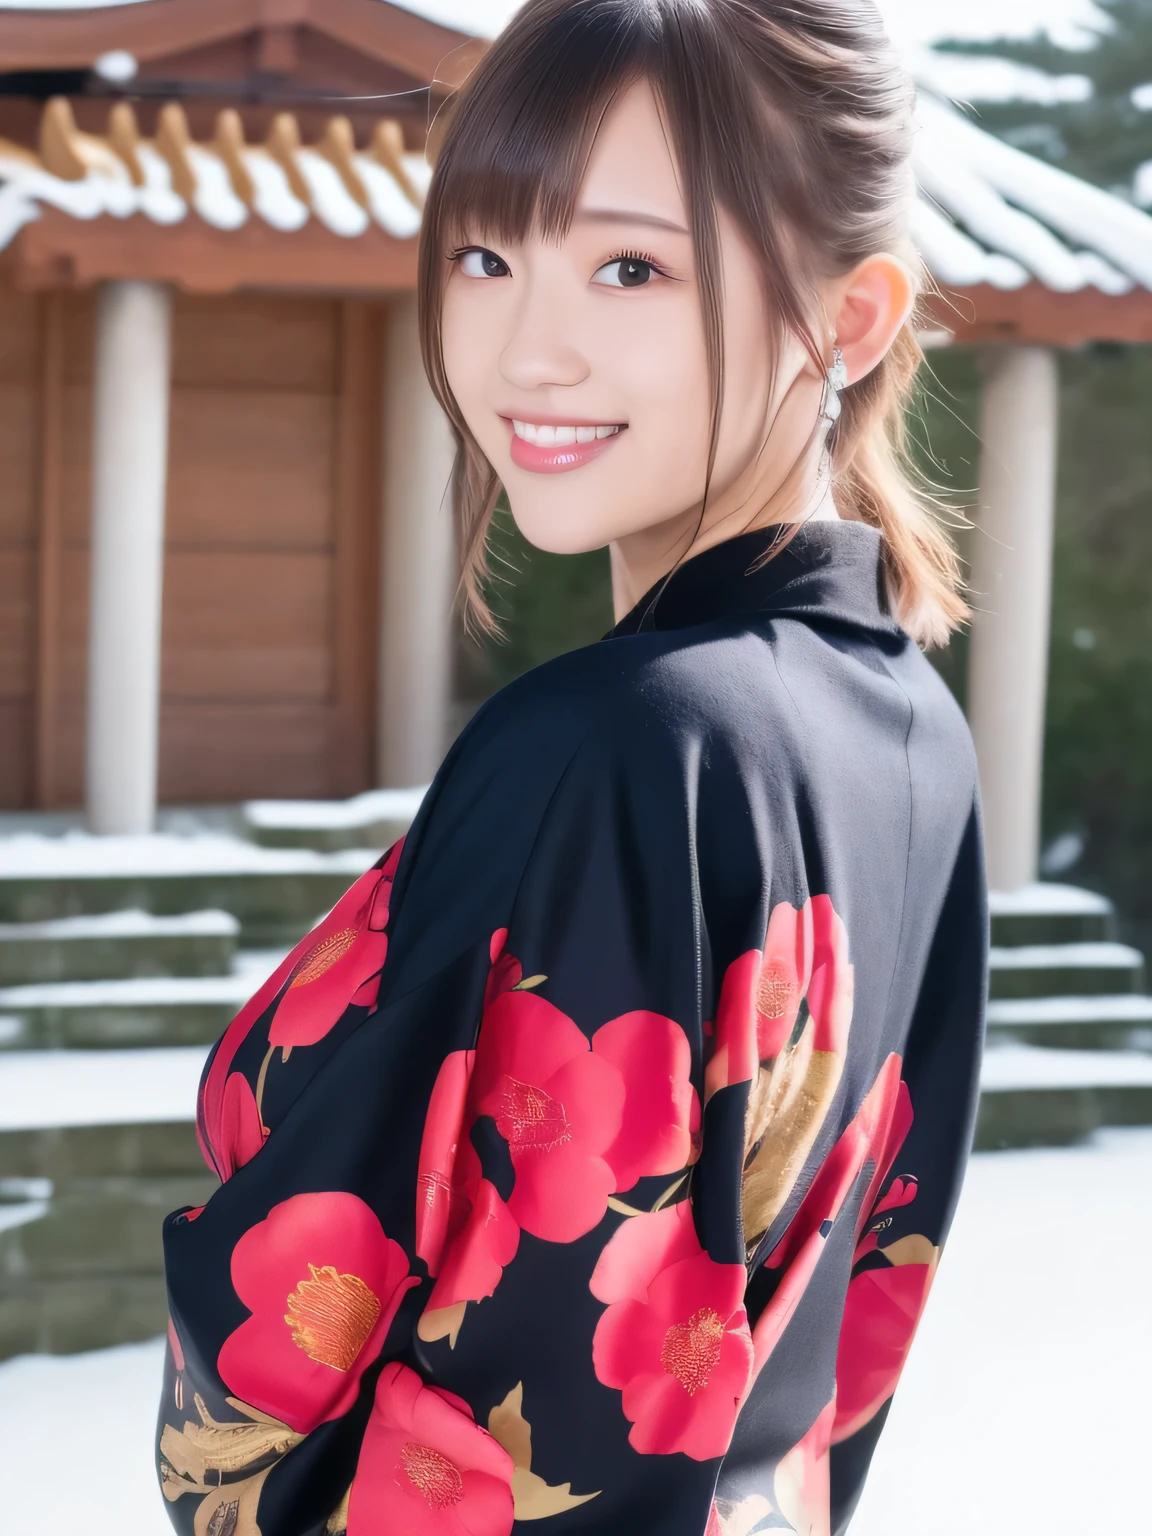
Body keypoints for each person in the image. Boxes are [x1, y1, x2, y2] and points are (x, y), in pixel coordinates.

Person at [156, 3, 987, 1534]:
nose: (525, 349)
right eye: (483, 255)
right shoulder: (909, 726)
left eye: (631, 267)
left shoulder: (621, 743)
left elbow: (312, 1320)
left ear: (852, 318)